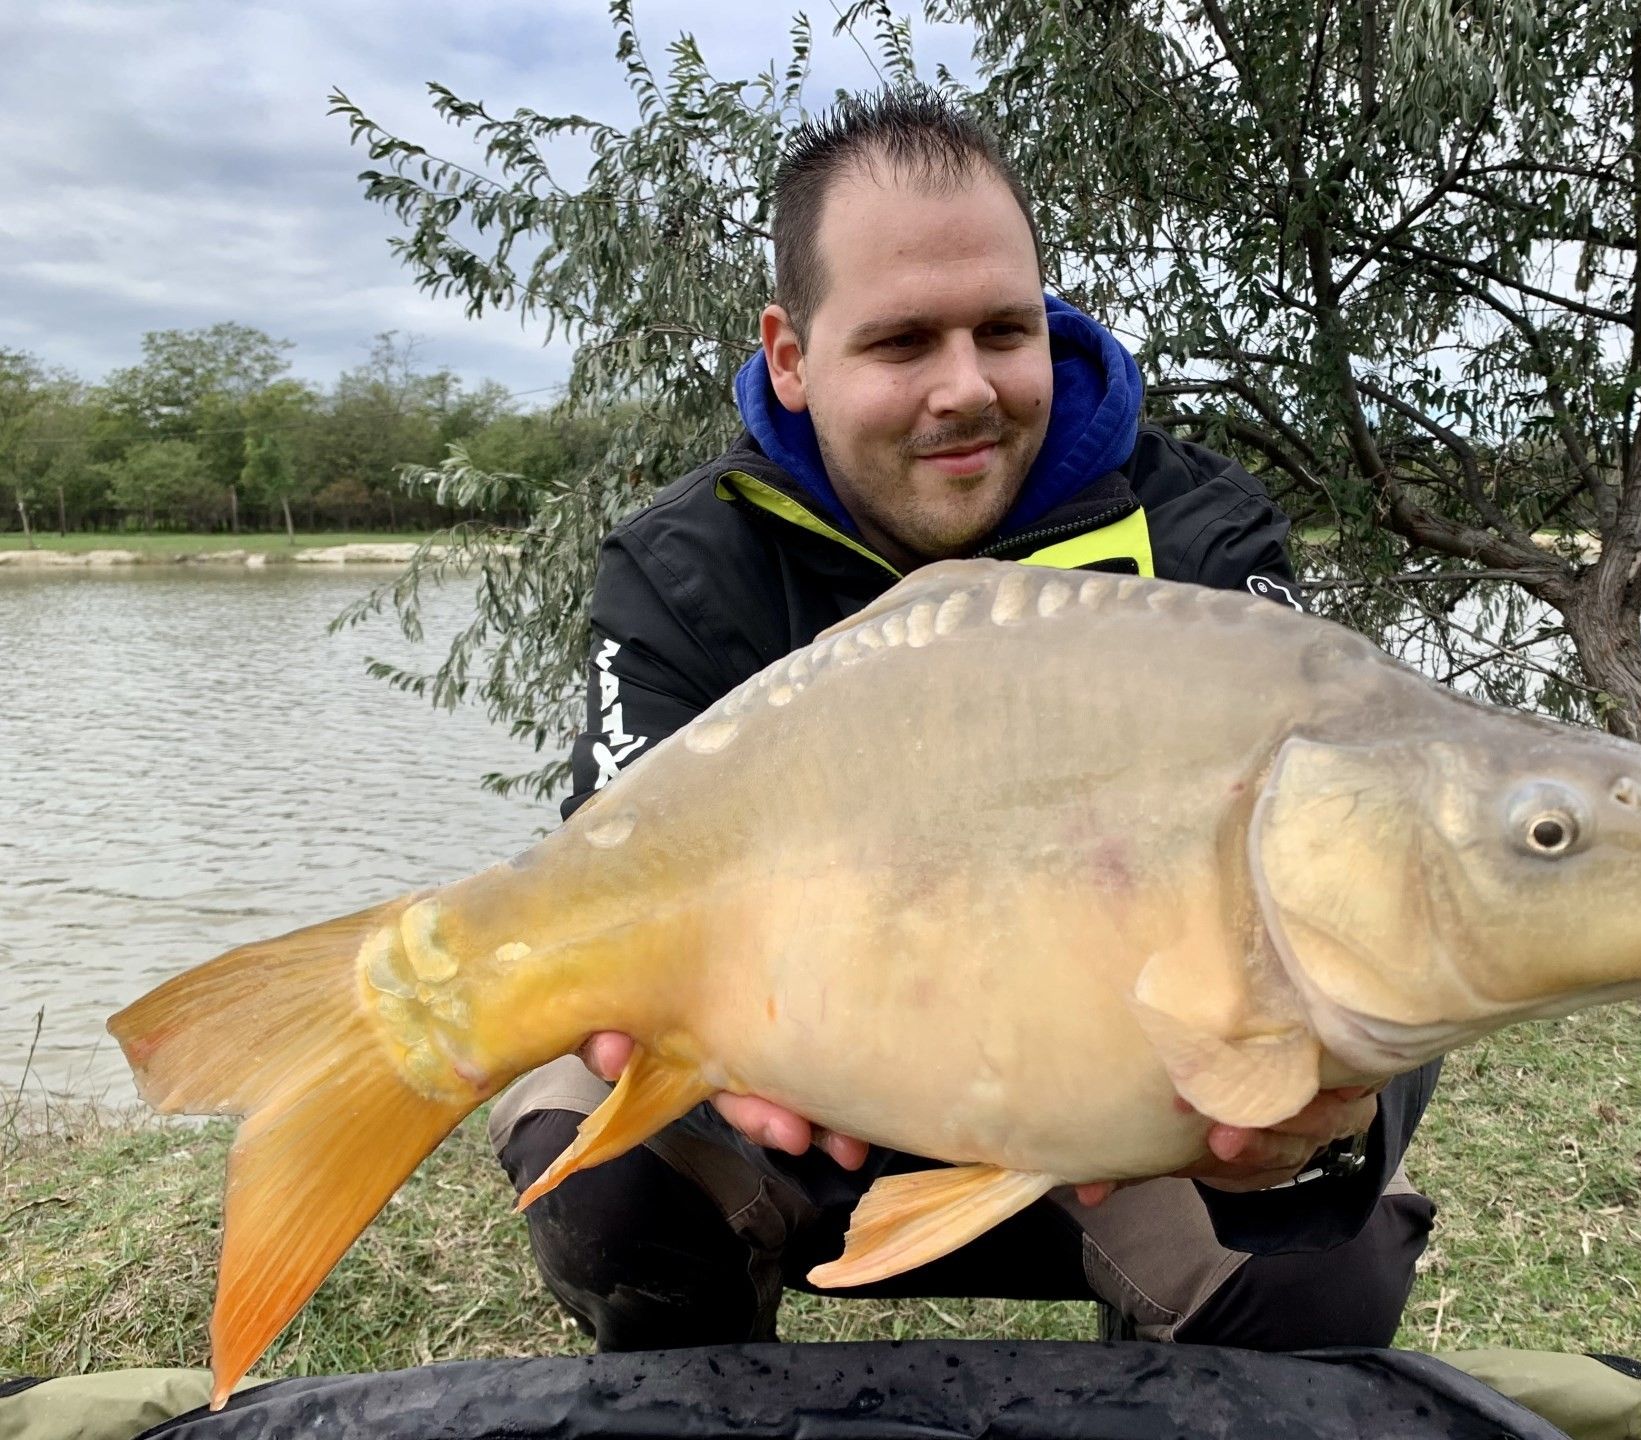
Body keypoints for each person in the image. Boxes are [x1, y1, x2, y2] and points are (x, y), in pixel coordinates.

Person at [490, 88, 1440, 1355]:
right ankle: (707, 1391)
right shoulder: (682, 568)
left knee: (1313, 1272)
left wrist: (1321, 1116)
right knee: (590, 1154)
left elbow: (1335, 856)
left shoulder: (1201, 535)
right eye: (899, 344)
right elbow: (614, 878)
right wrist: (712, 1045)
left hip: (1114, 1115)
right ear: (790, 354)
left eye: (1006, 329)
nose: (966, 390)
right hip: (788, 1096)